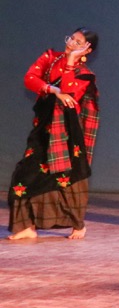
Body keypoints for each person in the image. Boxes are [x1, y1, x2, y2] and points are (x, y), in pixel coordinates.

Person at [8, 28, 99, 241]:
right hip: (44, 125)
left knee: (67, 178)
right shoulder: (51, 57)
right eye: (71, 38)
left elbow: (68, 90)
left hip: (66, 130)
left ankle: (78, 224)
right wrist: (51, 89)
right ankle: (26, 225)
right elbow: (30, 79)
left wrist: (71, 62)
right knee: (24, 174)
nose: (71, 43)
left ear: (87, 50)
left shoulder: (84, 74)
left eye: (78, 42)